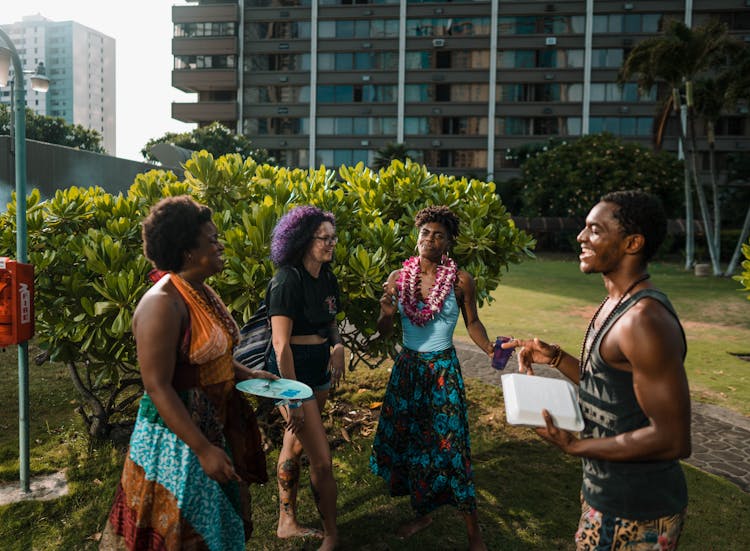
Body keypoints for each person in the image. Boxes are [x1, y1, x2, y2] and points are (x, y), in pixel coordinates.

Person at [504, 190, 691, 550]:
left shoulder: (645, 320)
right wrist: (558, 359)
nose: (580, 237)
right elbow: (611, 384)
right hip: (603, 492)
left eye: (595, 230)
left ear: (632, 243)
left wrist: (577, 446)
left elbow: (673, 439)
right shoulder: (615, 302)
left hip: (637, 509)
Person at [100, 195, 277, 550]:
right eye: (212, 240)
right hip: (176, 439)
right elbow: (157, 386)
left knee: (215, 525)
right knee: (179, 532)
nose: (220, 245)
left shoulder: (200, 291)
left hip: (212, 423)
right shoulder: (161, 304)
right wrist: (202, 449)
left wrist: (249, 375)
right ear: (187, 253)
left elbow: (213, 357)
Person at [370, 205, 493, 551]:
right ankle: (422, 513)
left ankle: (474, 534)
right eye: (425, 232)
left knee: (452, 448)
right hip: (408, 370)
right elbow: (384, 331)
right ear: (417, 235)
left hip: (442, 371)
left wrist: (489, 350)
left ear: (449, 242)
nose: (430, 239)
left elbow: (472, 323)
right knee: (411, 443)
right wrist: (387, 312)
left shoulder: (461, 280)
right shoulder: (398, 277)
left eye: (439, 234)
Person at [265, 205, 344, 551]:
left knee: (294, 442)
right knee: (322, 460)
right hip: (291, 372)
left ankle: (287, 521)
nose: (330, 244)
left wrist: (338, 345)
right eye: (322, 238)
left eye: (333, 238)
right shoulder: (287, 280)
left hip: (319, 369)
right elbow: (281, 345)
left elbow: (330, 319)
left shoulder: (327, 277)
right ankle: (331, 534)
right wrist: (292, 397)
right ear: (302, 240)